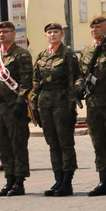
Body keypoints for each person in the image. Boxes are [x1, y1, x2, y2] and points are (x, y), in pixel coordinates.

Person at [75, 15, 106, 197]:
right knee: (98, 143)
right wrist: (79, 86)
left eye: (99, 27)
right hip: (93, 103)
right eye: (93, 28)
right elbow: (81, 72)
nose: (95, 30)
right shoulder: (87, 50)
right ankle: (102, 180)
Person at [33, 23, 82, 197]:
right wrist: (34, 104)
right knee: (52, 143)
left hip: (62, 103)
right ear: (45, 36)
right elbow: (36, 82)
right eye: (49, 32)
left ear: (61, 34)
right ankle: (58, 179)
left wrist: (73, 98)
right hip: (45, 103)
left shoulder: (68, 54)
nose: (52, 35)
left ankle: (67, 181)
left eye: (55, 32)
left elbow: (75, 77)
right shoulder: (42, 55)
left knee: (65, 143)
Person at [0, 21, 33, 196]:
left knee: (17, 144)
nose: (3, 35)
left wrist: (21, 100)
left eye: (6, 31)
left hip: (15, 105)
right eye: (0, 32)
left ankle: (19, 181)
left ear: (14, 34)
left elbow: (27, 80)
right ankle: (9, 178)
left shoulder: (21, 55)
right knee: (3, 145)